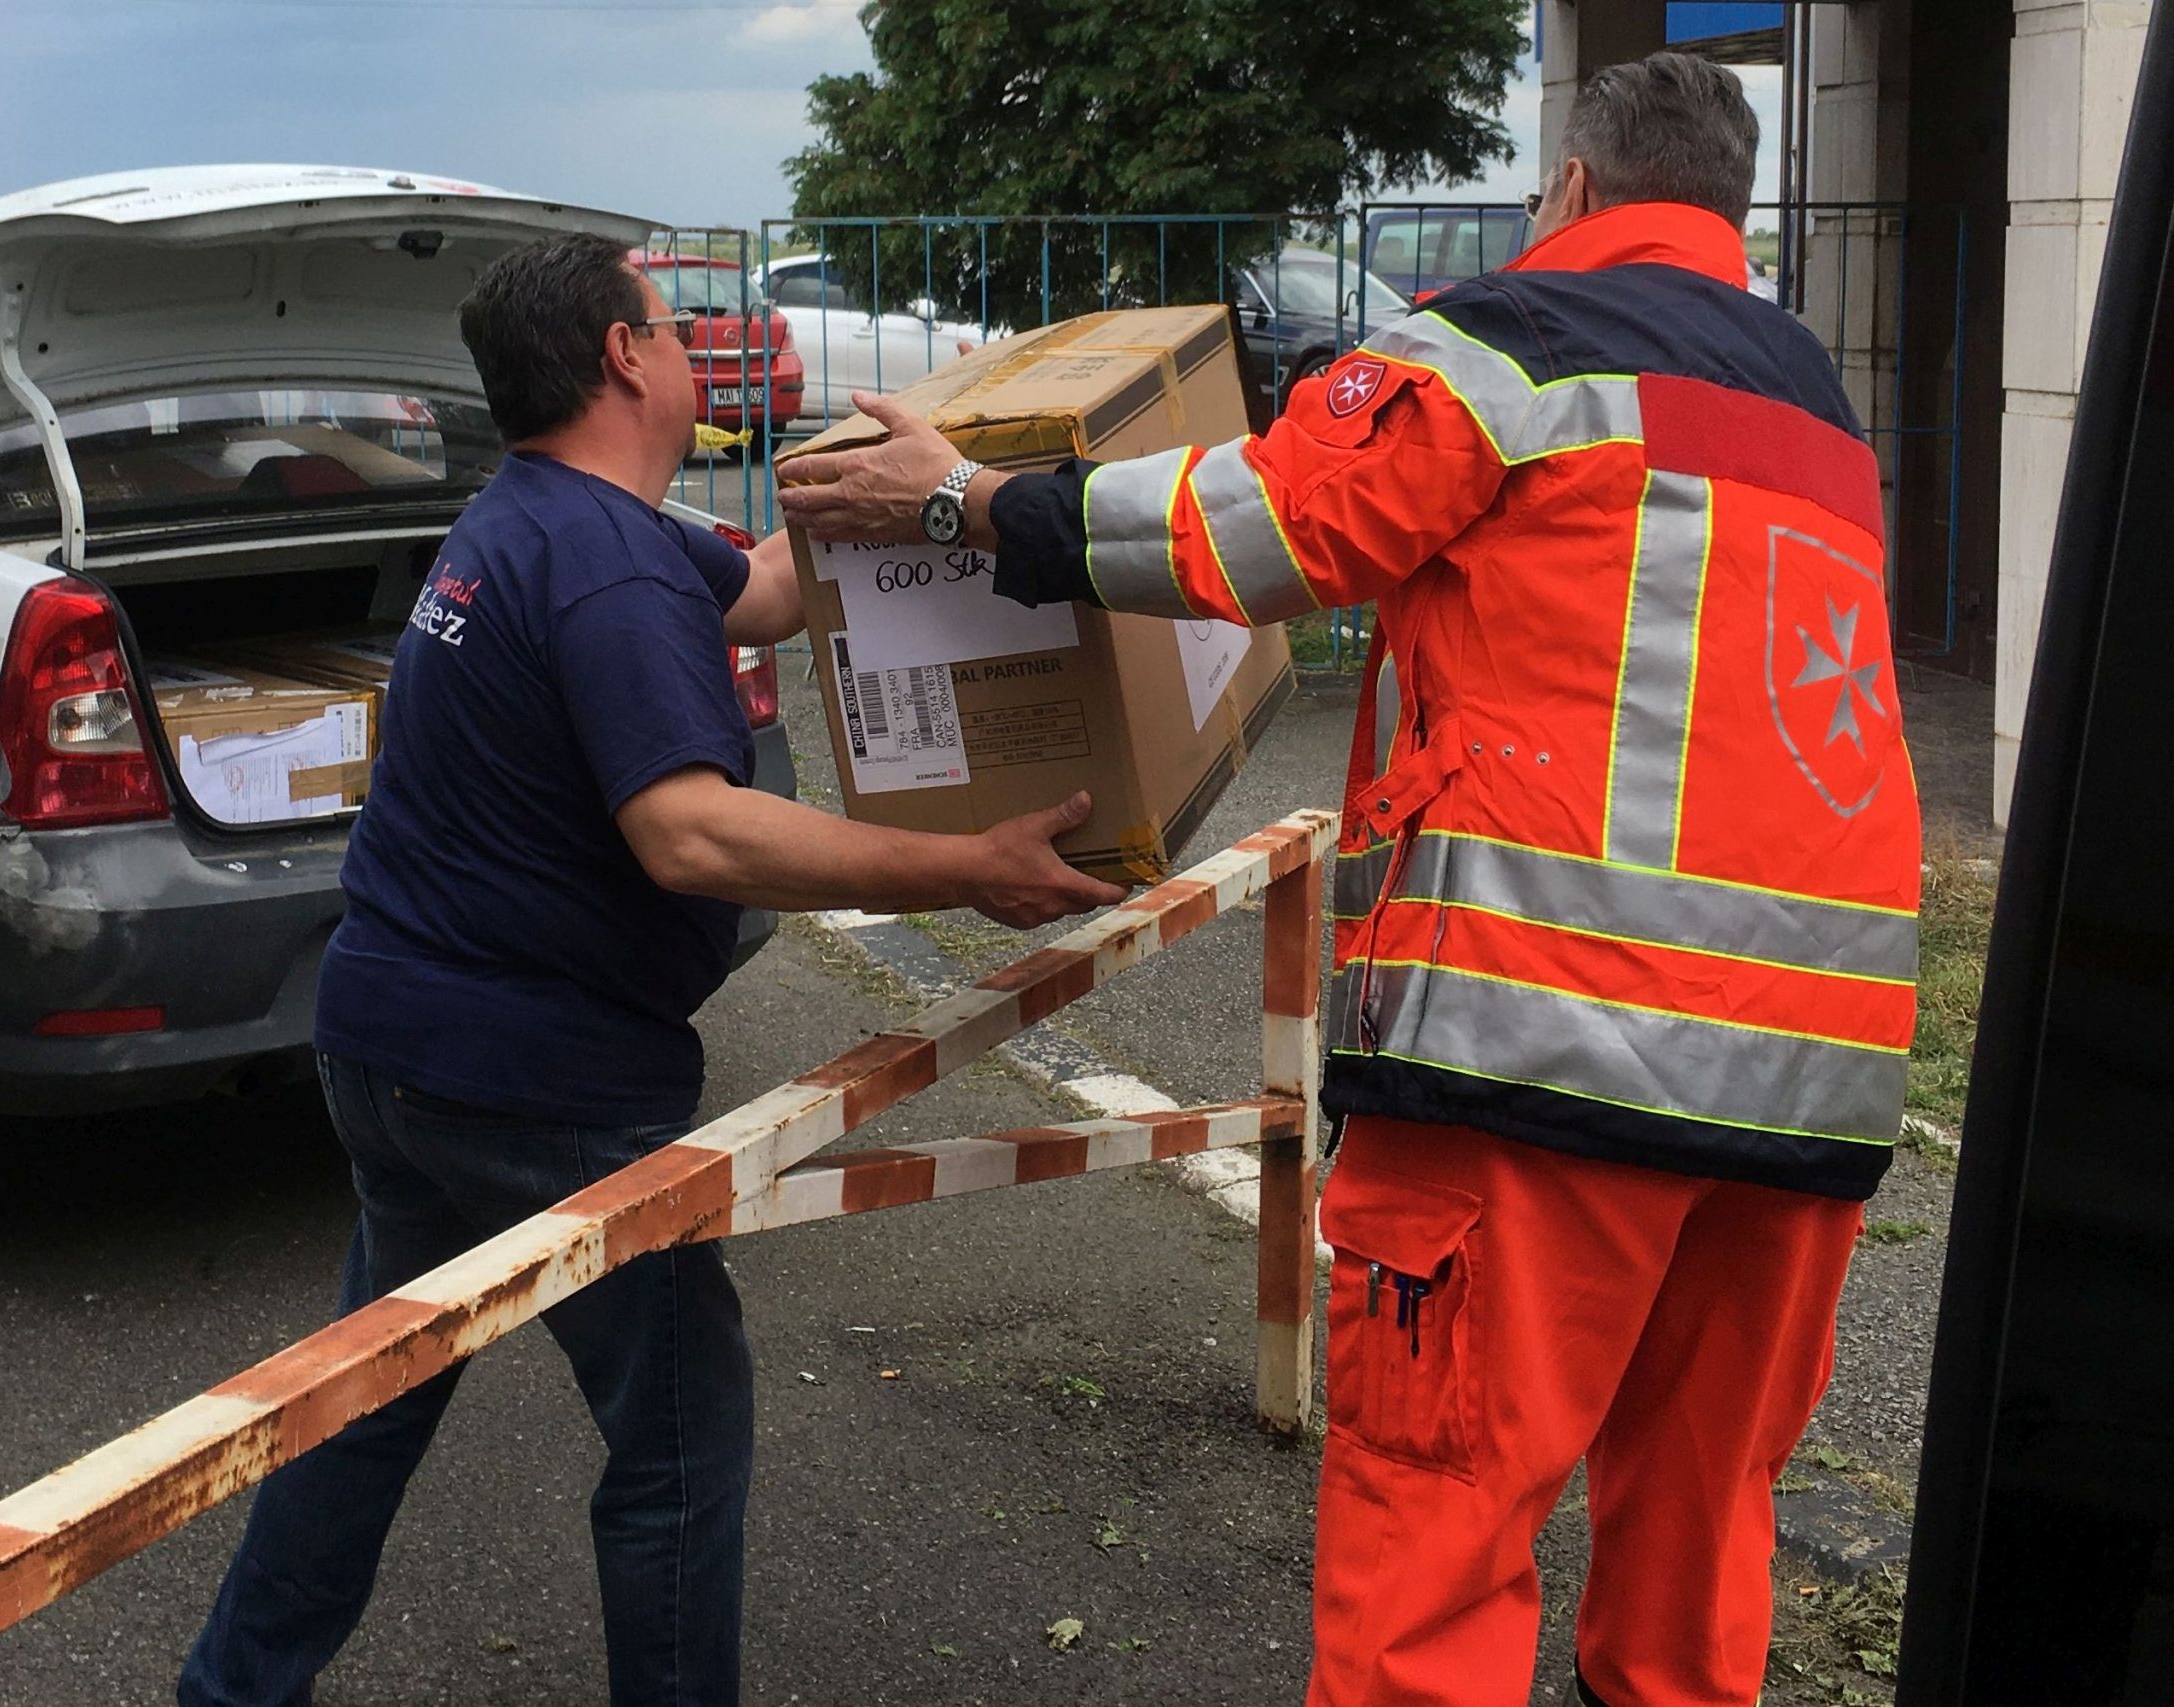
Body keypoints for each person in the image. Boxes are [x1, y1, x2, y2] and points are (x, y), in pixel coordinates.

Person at [779, 52, 1920, 1707]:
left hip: (1550, 1058)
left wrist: (960, 496)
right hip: (1814, 1092)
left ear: (1579, 194)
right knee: (1697, 1547)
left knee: (1439, 1536)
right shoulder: (1818, 408)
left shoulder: (1516, 343)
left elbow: (1250, 536)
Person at [176, 234, 1125, 1707]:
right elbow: (688, 834)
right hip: (533, 1079)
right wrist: (965, 863)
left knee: (365, 1402)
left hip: (390, 1042)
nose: (697, 346)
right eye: (675, 324)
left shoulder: (540, 516)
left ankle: (233, 1690)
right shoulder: (602, 564)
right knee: (679, 1440)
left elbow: (752, 595)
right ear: (625, 357)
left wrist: (906, 499)